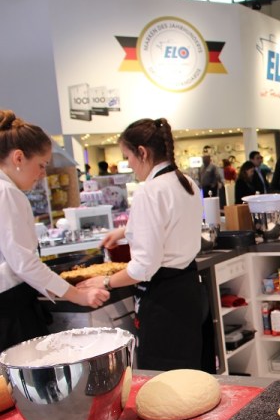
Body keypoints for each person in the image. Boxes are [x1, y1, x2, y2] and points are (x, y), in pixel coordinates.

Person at [78, 118, 206, 371]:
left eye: (128, 157)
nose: (129, 164)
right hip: (188, 290)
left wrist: (106, 281)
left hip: (164, 302)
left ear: (142, 152)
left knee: (163, 378)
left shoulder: (150, 191)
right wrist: (125, 231)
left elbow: (143, 268)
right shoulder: (186, 182)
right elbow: (170, 225)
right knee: (187, 371)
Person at [0, 110, 109, 352]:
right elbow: (24, 263)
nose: (42, 175)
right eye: (41, 165)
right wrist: (77, 294)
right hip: (10, 312)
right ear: (18, 158)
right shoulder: (6, 192)